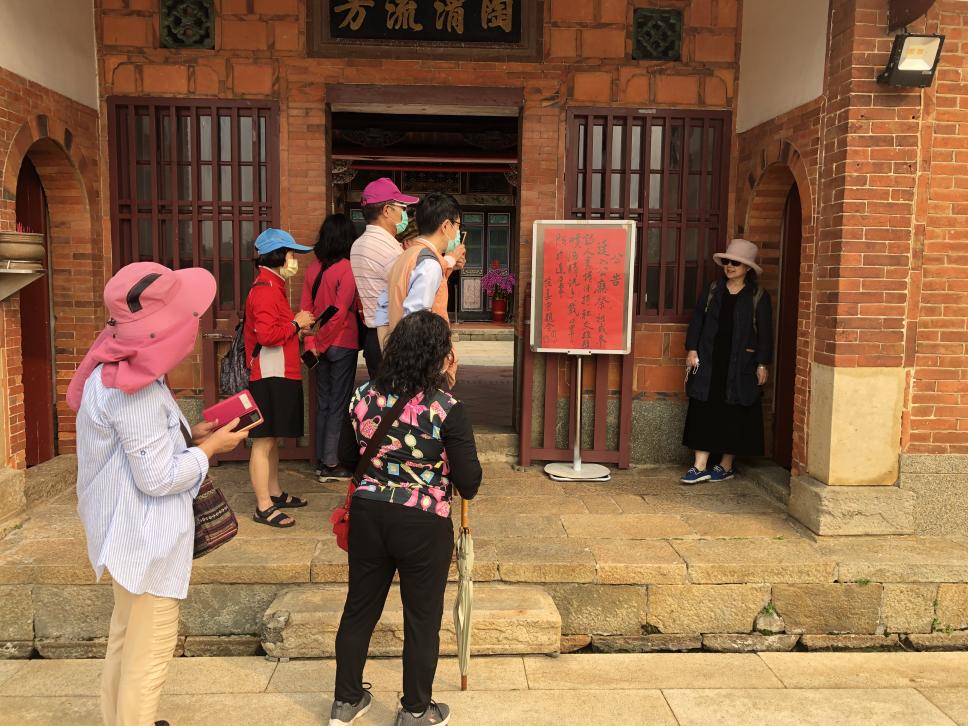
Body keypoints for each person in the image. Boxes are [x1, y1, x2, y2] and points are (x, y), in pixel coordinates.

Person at [68, 262, 251, 726]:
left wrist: (193, 435)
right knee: (148, 654)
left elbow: (140, 449)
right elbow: (158, 477)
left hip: (122, 535)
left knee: (125, 639)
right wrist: (211, 449)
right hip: (144, 541)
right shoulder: (135, 390)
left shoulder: (112, 372)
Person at [329, 310, 482, 726]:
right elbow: (469, 482)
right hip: (423, 522)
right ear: (440, 356)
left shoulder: (363, 396)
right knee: (421, 619)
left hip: (369, 513)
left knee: (359, 609)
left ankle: (346, 701)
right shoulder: (446, 408)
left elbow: (345, 457)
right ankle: (415, 708)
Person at [681, 238, 774, 484]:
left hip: (741, 364)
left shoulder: (757, 296)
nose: (729, 266)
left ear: (747, 268)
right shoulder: (713, 290)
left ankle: (725, 465)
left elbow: (765, 333)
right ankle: (699, 466)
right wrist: (692, 349)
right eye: (727, 262)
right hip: (709, 360)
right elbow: (697, 321)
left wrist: (762, 363)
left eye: (736, 263)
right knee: (703, 408)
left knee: (734, 412)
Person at [245, 228, 316, 527]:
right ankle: (263, 505)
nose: (293, 259)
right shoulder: (265, 289)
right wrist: (296, 324)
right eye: (291, 253)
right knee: (263, 441)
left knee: (272, 439)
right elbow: (267, 335)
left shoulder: (273, 286)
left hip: (278, 371)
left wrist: (296, 327)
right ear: (277, 256)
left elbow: (277, 331)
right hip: (269, 374)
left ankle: (273, 493)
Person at [301, 213, 359, 482]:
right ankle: (332, 463)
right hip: (341, 342)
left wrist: (312, 343)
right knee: (338, 404)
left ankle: (320, 460)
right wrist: (323, 343)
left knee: (323, 404)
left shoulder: (313, 268)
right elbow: (340, 311)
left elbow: (305, 311)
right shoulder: (347, 267)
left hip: (316, 346)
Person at [349, 177, 419, 379]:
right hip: (391, 336)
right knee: (398, 398)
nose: (405, 214)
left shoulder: (359, 243)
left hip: (374, 335)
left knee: (382, 396)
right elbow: (410, 288)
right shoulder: (384, 246)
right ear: (387, 210)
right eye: (402, 208)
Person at [374, 192, 464, 342]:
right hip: (421, 354)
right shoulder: (430, 265)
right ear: (446, 226)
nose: (458, 232)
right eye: (458, 226)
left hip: (398, 348)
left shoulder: (405, 256)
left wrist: (386, 347)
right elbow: (416, 323)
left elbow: (382, 307)